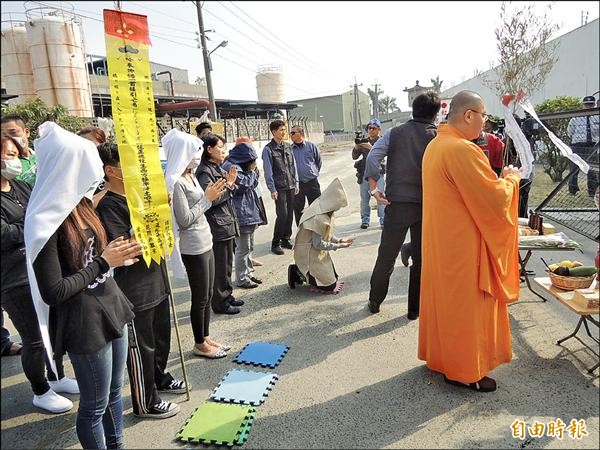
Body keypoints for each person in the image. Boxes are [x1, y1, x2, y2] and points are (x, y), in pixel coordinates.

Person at [25, 122, 142, 447]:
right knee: (94, 406)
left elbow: (96, 256)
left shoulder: (83, 205)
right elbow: (54, 291)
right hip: (84, 323)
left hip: (112, 308)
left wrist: (125, 250)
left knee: (115, 393)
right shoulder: (45, 220)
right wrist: (106, 261)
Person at [418, 90, 522, 393]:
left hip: (442, 243)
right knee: (466, 309)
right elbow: (494, 198)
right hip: (463, 249)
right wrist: (512, 178)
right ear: (468, 115)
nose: (485, 123)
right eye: (484, 116)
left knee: (445, 305)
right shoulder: (461, 149)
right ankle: (464, 371)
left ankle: (442, 360)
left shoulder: (436, 146)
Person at [96, 143, 185, 420]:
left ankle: (160, 377)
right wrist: (148, 226)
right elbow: (123, 248)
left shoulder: (137, 197)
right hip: (134, 288)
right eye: (126, 165)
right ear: (111, 171)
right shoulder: (109, 205)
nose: (134, 170)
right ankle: (145, 402)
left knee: (160, 337)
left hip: (155, 278)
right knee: (141, 346)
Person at [1, 135, 75, 413]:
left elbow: (41, 211)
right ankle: (40, 390)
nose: (14, 161)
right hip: (13, 278)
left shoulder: (19, 186)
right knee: (32, 337)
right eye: (8, 154)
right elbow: (6, 234)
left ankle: (56, 377)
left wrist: (31, 224)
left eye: (15, 154)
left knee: (51, 330)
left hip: (38, 268)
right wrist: (32, 226)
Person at [365, 92, 441, 319]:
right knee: (421, 259)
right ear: (435, 114)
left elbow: (372, 158)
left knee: (386, 255)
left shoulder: (394, 133)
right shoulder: (438, 137)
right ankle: (413, 310)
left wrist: (374, 188)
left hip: (397, 204)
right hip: (427, 207)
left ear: (413, 110)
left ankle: (375, 301)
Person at [163, 129, 231, 359]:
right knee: (200, 297)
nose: (196, 157)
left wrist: (209, 198)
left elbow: (205, 204)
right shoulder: (175, 182)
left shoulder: (190, 175)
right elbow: (184, 219)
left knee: (208, 293)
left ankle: (206, 336)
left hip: (206, 240)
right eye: (192, 153)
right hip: (193, 247)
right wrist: (206, 199)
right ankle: (199, 343)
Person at [196, 134, 243, 315]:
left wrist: (231, 183)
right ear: (209, 149)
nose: (223, 151)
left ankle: (228, 296)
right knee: (220, 266)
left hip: (227, 220)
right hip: (217, 224)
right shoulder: (204, 172)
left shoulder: (216, 167)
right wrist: (229, 185)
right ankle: (220, 302)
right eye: (220, 147)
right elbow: (211, 200)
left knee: (227, 265)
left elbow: (232, 188)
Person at [287, 178, 353, 294]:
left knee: (334, 278)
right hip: (308, 252)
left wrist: (340, 240)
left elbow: (326, 233)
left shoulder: (322, 206)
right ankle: (297, 270)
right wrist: (339, 245)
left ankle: (300, 271)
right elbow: (318, 244)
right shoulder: (319, 217)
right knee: (330, 287)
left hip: (313, 250)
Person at [223, 140, 265, 289]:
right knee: (242, 248)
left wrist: (252, 173)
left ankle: (249, 273)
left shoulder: (244, 167)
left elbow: (252, 184)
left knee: (249, 246)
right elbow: (244, 184)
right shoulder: (231, 167)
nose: (254, 164)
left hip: (249, 211)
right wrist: (253, 172)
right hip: (240, 213)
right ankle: (241, 278)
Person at [262, 119, 299, 255]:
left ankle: (286, 239)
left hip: (290, 185)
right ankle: (275, 242)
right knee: (282, 214)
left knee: (290, 214)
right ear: (273, 132)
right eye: (281, 130)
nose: (284, 132)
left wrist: (297, 182)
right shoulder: (268, 149)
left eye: (284, 129)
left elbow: (293, 165)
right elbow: (268, 170)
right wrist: (272, 188)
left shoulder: (288, 146)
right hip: (279, 187)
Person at [352, 118, 385, 229]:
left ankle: (383, 220)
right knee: (364, 199)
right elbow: (354, 157)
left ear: (379, 129)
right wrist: (357, 147)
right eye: (369, 128)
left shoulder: (382, 141)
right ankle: (365, 220)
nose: (371, 130)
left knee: (380, 198)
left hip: (377, 174)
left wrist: (371, 148)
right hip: (364, 174)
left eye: (373, 128)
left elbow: (383, 155)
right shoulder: (364, 141)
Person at [567, 95, 599, 197]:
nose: (589, 107)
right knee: (574, 169)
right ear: (583, 105)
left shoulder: (597, 117)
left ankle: (592, 191)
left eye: (591, 105)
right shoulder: (576, 118)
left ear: (594, 105)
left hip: (591, 146)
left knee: (592, 169)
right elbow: (569, 132)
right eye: (587, 105)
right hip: (577, 145)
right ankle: (573, 190)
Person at [290, 125, 322, 225]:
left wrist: (313, 172)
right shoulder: (290, 149)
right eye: (291, 133)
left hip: (312, 182)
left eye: (293, 133)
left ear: (301, 133)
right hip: (298, 185)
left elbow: (318, 161)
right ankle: (302, 232)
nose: (291, 135)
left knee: (316, 207)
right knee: (298, 209)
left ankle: (317, 231)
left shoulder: (311, 146)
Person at [1, 115, 37, 186]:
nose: (10, 138)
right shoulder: (9, 166)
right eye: (5, 136)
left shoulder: (41, 156)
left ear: (27, 132)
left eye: (13, 133)